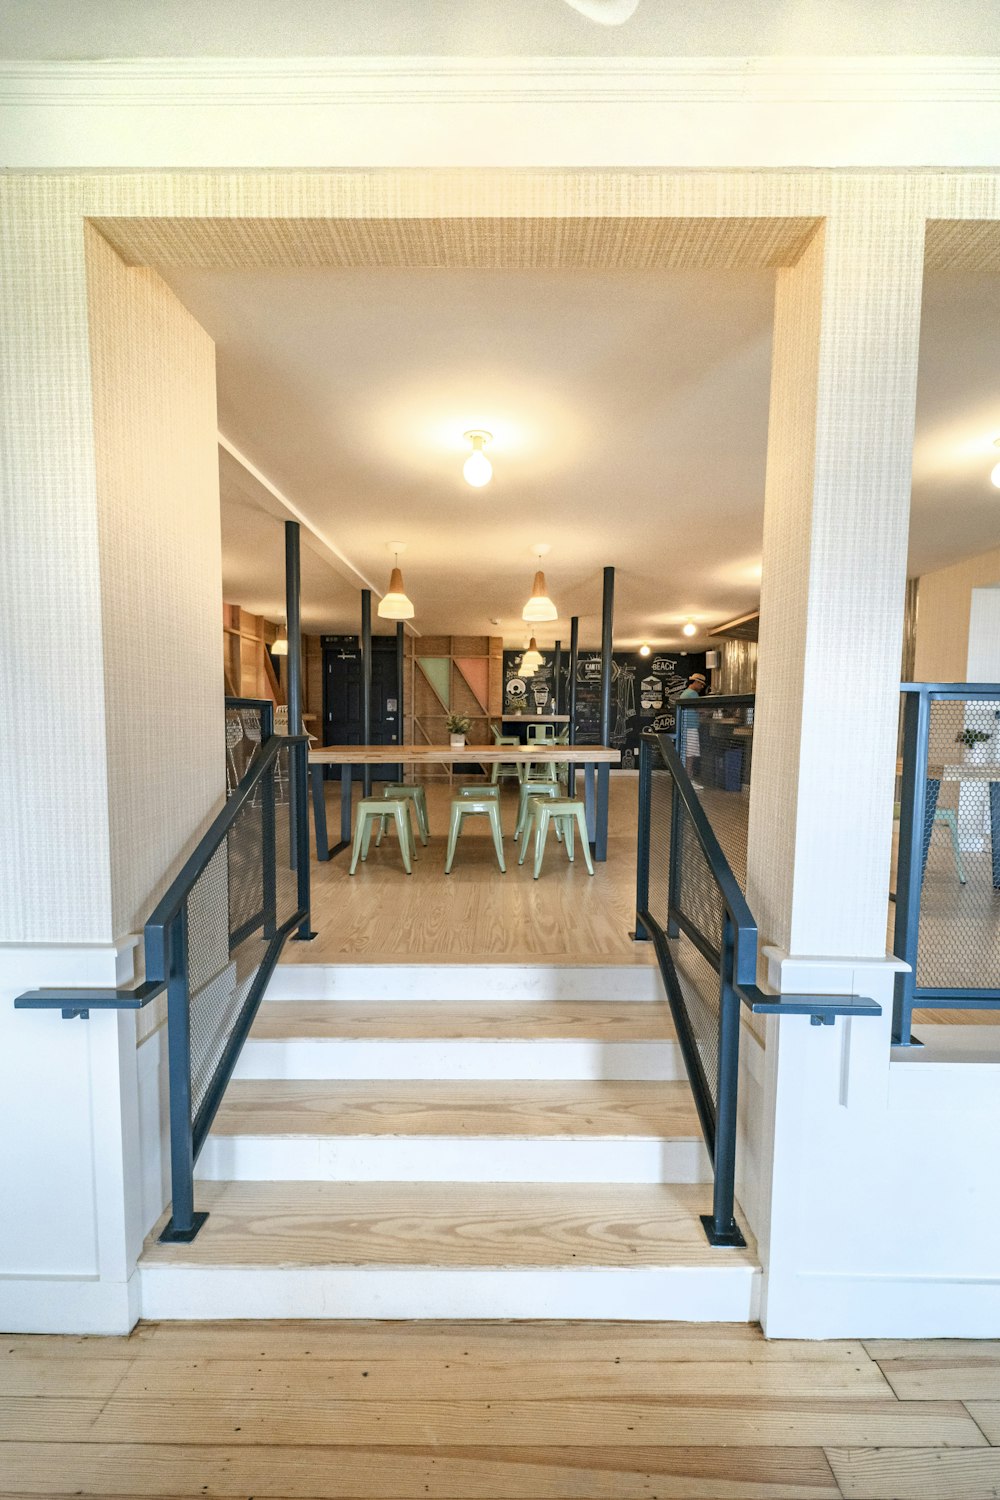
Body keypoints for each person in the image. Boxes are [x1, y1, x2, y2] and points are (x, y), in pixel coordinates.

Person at [677, 673, 707, 782]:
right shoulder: (693, 694)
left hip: (685, 727)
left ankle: (685, 779)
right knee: (690, 755)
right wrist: (713, 710)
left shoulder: (685, 693)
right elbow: (700, 710)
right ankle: (688, 781)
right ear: (696, 682)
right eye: (701, 684)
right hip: (691, 729)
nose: (702, 687)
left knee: (686, 754)